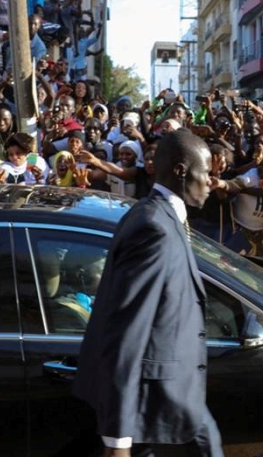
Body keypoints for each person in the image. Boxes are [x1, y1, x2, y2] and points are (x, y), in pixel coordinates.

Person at [75, 129, 224, 457]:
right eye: (207, 173)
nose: (212, 182)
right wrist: (118, 440)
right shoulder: (153, 228)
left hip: (174, 399)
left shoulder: (157, 216)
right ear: (182, 171)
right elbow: (126, 328)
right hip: (157, 404)